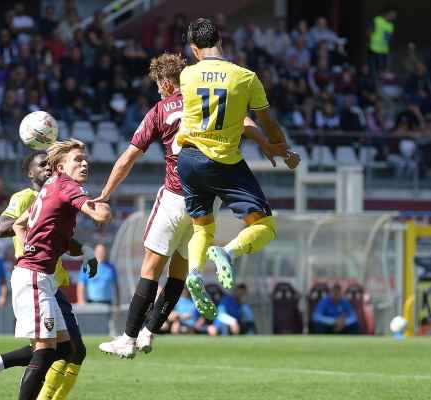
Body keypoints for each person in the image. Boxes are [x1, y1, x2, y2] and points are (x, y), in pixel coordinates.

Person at [97, 52, 283, 358]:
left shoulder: (160, 110)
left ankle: (128, 338)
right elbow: (246, 120)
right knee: (180, 273)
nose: (158, 90)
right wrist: (265, 144)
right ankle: (149, 332)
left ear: (167, 82)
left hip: (174, 195)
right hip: (204, 199)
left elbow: (128, 157)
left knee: (150, 269)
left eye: (158, 84)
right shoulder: (203, 96)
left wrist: (105, 193)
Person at [174, 18, 300, 319]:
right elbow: (262, 121)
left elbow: (220, 113)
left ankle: (194, 273)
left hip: (188, 160)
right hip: (223, 163)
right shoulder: (245, 78)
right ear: (222, 41)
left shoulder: (187, 75)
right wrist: (280, 148)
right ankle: (227, 253)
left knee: (202, 228)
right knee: (265, 226)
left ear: (194, 49)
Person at [0, 151, 94, 400]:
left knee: (65, 349)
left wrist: (86, 251)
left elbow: (64, 239)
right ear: (29, 173)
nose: (47, 169)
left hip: (53, 280)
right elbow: (1, 227)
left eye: (50, 164)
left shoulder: (58, 193)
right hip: (34, 276)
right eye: (41, 165)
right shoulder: (26, 197)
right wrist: (32, 224)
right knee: (54, 350)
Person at [2, 139, 110, 400]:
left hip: (40, 276)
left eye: (85, 159)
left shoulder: (50, 185)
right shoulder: (66, 185)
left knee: (64, 349)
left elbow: (19, 224)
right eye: (77, 159)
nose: (84, 164)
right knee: (46, 351)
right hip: (35, 277)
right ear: (60, 165)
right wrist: (104, 202)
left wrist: (24, 248)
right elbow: (101, 217)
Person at [367, 8, 397, 77]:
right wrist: (369, 39)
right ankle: (374, 85)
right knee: (373, 69)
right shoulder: (377, 20)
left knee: (381, 71)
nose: (394, 16)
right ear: (388, 13)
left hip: (383, 50)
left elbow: (389, 38)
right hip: (373, 48)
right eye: (393, 14)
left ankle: (380, 84)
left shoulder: (391, 25)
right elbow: (369, 30)